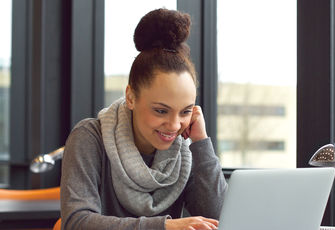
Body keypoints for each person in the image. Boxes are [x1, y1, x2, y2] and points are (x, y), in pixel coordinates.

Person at [60, 8, 227, 230]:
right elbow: (76, 223)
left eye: (185, 111)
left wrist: (202, 143)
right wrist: (165, 227)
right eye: (161, 111)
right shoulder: (90, 137)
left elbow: (221, 218)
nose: (175, 125)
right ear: (130, 97)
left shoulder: (183, 155)